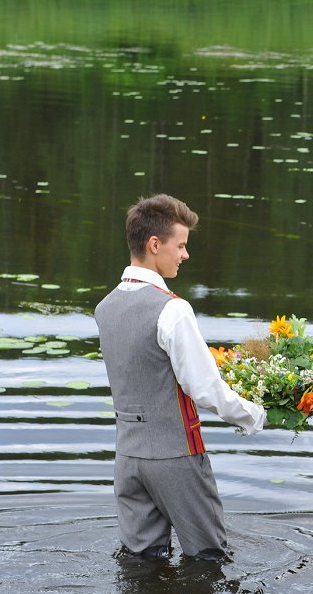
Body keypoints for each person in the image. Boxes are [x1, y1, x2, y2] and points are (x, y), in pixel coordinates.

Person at [94, 194, 265, 561]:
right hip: (176, 457)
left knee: (142, 564)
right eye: (181, 245)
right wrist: (254, 415)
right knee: (208, 560)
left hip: (127, 458)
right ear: (155, 245)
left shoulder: (104, 308)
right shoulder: (173, 309)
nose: (185, 255)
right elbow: (204, 388)